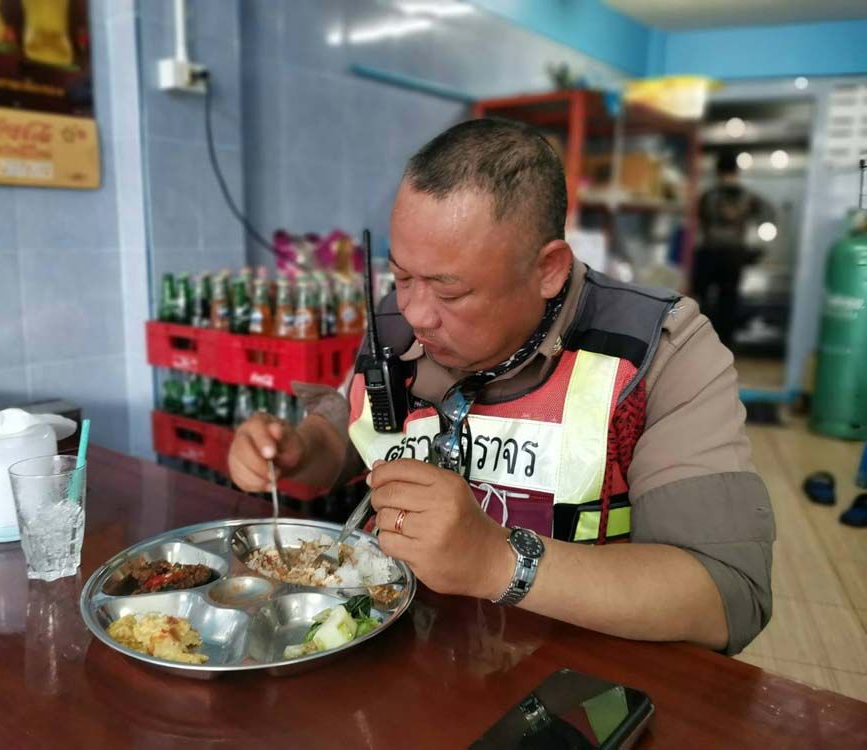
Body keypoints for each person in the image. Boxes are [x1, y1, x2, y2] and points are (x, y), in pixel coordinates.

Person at [229, 119, 774, 656]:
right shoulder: (394, 322)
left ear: (548, 270)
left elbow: (726, 596)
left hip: (568, 672)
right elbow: (351, 440)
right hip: (392, 650)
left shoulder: (656, 350)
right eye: (402, 276)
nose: (415, 313)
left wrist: (499, 562)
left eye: (450, 291)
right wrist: (301, 451)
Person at [692, 152, 773, 348]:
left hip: (709, 253)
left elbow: (696, 224)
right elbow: (769, 215)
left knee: (703, 300)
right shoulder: (748, 197)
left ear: (717, 171)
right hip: (733, 255)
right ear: (736, 171)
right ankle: (724, 346)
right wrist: (759, 246)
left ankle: (699, 344)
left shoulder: (708, 196)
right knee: (728, 301)